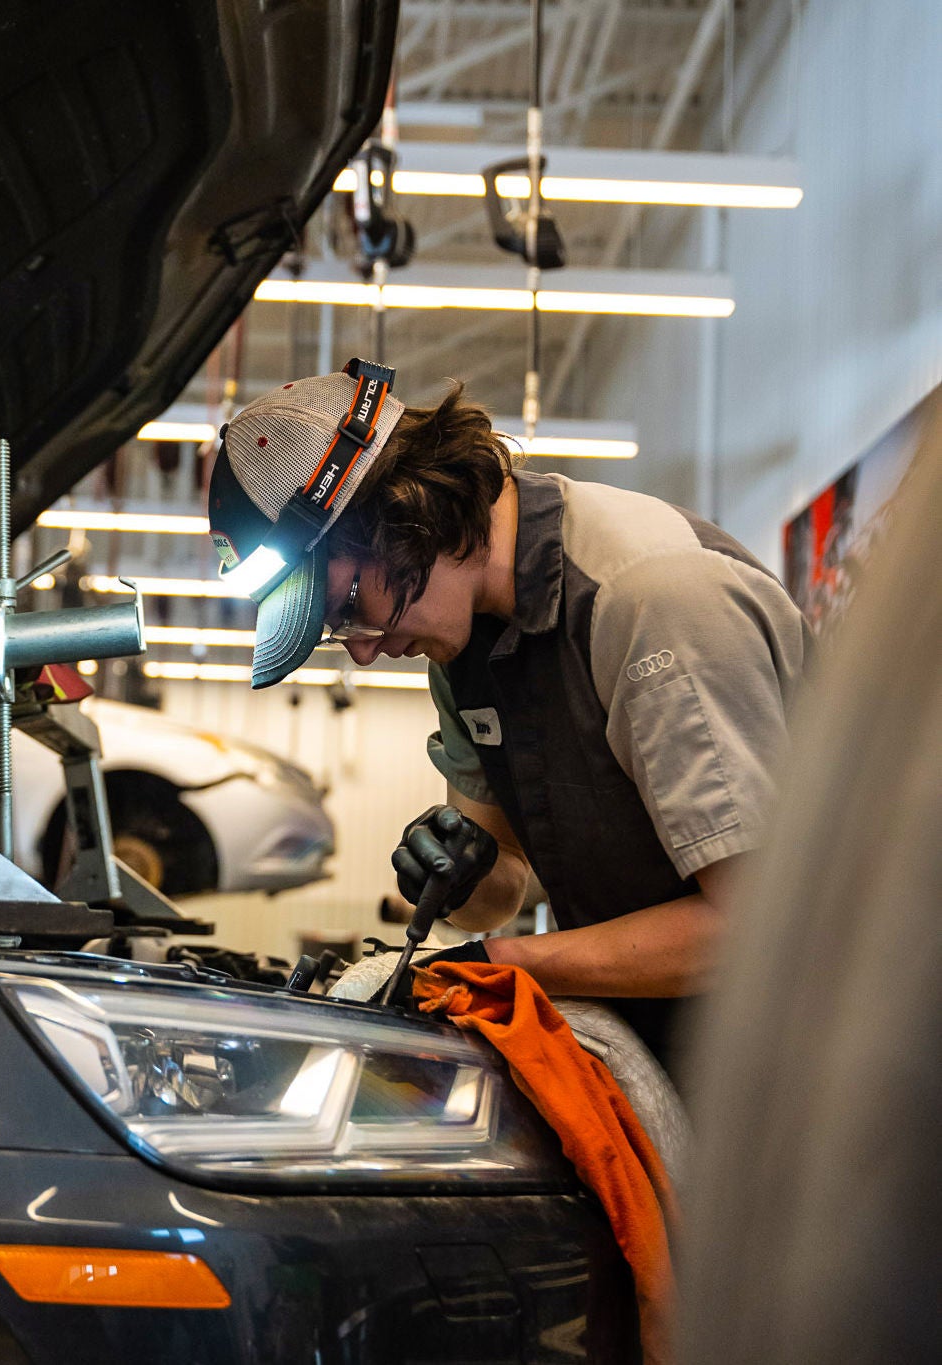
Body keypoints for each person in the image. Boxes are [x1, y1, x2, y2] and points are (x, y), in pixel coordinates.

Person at [206, 358, 812, 1075]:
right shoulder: (463, 649)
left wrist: (499, 963)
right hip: (677, 1045)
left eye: (346, 610)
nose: (363, 653)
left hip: (810, 1060)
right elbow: (503, 889)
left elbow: (755, 928)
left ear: (405, 515)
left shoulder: (652, 600)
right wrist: (456, 876)